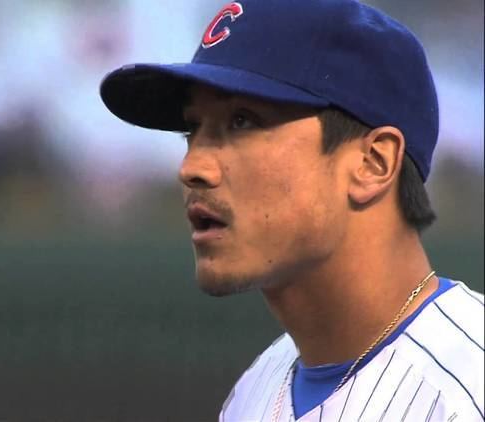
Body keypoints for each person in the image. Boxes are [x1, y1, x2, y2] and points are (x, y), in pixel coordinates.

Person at [99, 0, 484, 421]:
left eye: (242, 121)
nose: (192, 167)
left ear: (373, 163)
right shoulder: (255, 392)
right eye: (193, 129)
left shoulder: (468, 387)